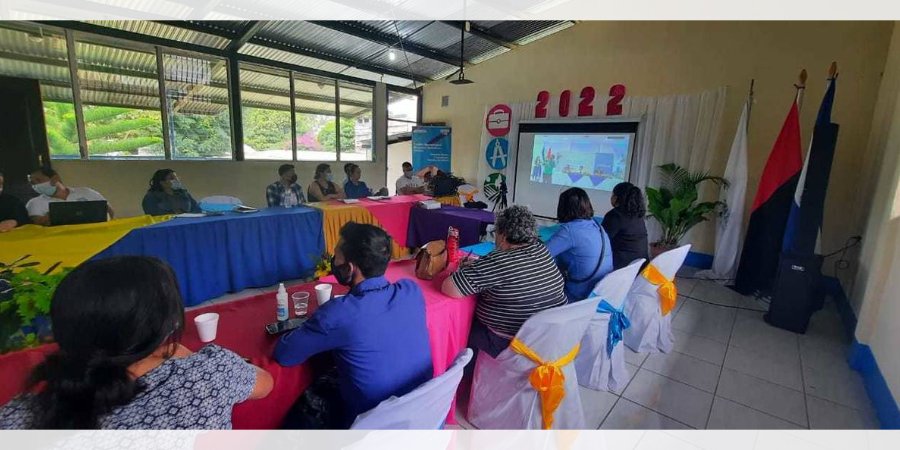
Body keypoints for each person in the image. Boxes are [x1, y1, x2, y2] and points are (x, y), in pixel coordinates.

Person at [0, 256, 273, 429]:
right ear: (165, 325)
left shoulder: (15, 417)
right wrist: (181, 353)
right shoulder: (205, 375)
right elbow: (265, 383)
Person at [274, 223, 432, 428]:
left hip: (371, 423)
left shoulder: (338, 313)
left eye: (336, 257)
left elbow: (285, 354)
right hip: (421, 410)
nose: (333, 261)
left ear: (349, 268)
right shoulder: (411, 290)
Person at [441, 205, 567, 358]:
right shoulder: (541, 250)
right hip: (546, 338)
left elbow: (449, 288)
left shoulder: (500, 260)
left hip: (509, 342)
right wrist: (480, 266)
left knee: (459, 325)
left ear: (503, 234)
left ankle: (462, 373)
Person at [546, 188, 614, 301]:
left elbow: (541, 254)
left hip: (577, 296)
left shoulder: (570, 230)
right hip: (599, 296)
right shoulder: (598, 227)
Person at [25, 166, 113, 226]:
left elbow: (108, 210)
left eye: (39, 180)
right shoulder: (34, 203)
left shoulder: (86, 192)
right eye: (33, 183)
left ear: (55, 178)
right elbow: (36, 224)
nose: (36, 185)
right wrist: (50, 217)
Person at [602, 182, 650, 269]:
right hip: (639, 267)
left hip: (621, 267)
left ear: (616, 197)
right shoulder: (637, 215)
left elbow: (601, 241)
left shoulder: (615, 215)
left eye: (612, 194)